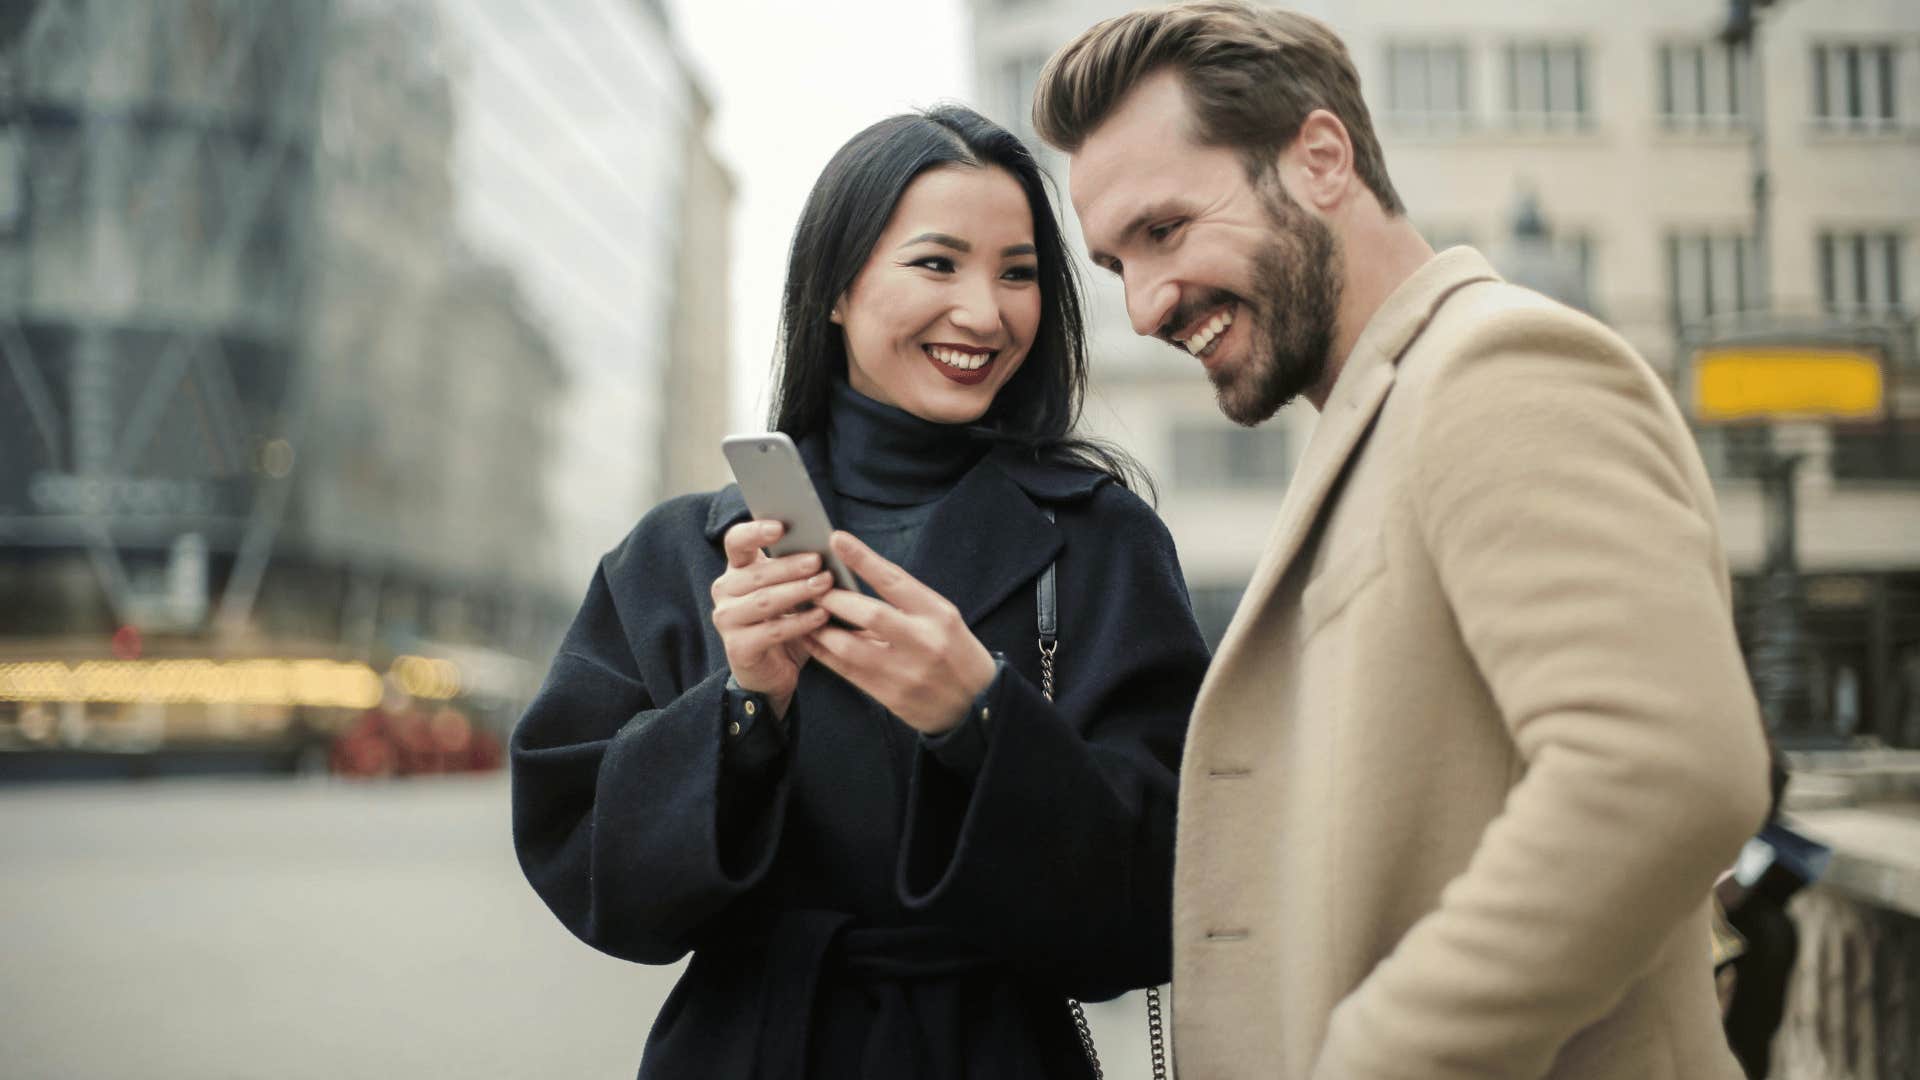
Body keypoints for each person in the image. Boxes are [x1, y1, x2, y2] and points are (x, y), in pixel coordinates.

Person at [1033, 4, 1773, 1078]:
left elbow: (1666, 770)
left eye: (1166, 230)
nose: (1145, 306)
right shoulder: (1378, 416)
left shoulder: (1495, 367)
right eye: (1116, 266)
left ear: (1321, 159)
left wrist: (1383, 1058)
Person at [510, 104, 1208, 1079]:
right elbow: (589, 872)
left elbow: (1169, 893)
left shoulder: (1100, 541)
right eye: (938, 263)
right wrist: (746, 707)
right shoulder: (686, 553)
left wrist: (980, 717)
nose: (985, 311)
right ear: (835, 289)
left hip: (996, 1054)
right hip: (749, 1051)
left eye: (1018, 272)